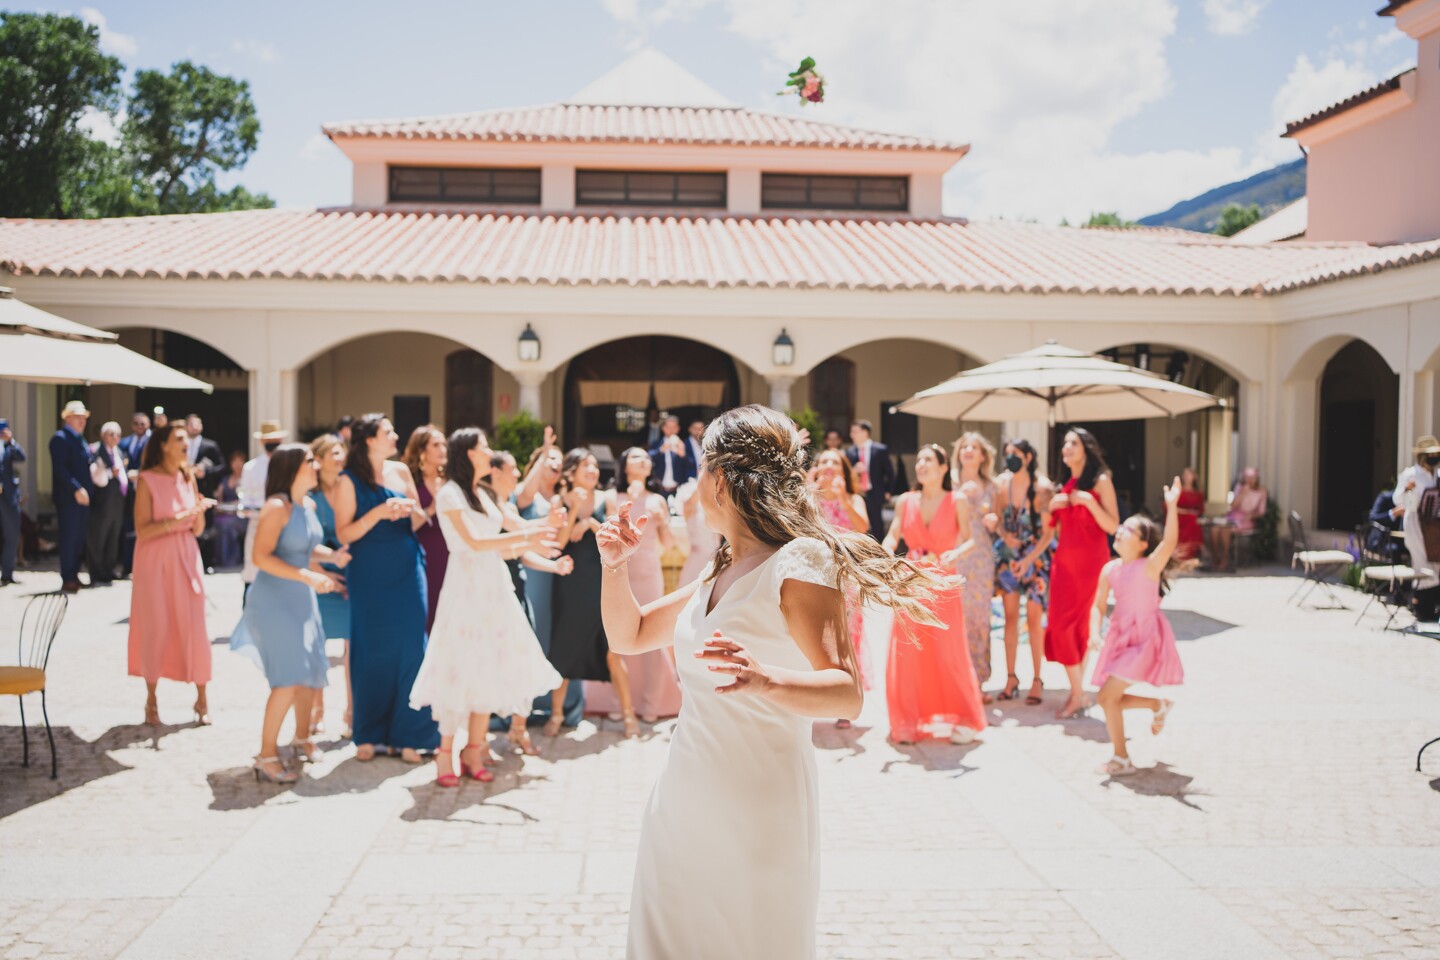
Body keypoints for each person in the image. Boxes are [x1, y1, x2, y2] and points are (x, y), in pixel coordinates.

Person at [596, 404, 942, 959]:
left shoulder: (800, 561)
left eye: (702, 467)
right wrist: (614, 565)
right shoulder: (718, 569)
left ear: (726, 481)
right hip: (683, 799)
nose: (695, 480)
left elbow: (847, 691)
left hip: (757, 806)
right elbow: (630, 634)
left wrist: (765, 679)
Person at [409, 429, 566, 784]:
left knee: (489, 662)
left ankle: (473, 748)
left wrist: (548, 524)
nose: (489, 452)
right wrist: (529, 536)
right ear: (467, 454)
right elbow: (477, 542)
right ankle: (445, 752)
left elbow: (517, 525)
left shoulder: (483, 493)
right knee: (460, 662)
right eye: (483, 448)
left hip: (493, 586)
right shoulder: (449, 494)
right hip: (464, 588)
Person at [229, 444, 349, 784]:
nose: (316, 465)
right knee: (288, 677)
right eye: (310, 461)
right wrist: (306, 575)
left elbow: (305, 548)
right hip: (274, 600)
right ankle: (266, 755)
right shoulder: (275, 507)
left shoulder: (306, 505)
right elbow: (262, 556)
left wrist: (332, 558)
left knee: (311, 669)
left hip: (301, 598)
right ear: (294, 467)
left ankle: (301, 738)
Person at [333, 414, 438, 762]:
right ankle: (369, 733)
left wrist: (413, 509)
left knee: (411, 648)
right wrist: (378, 513)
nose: (395, 435)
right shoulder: (348, 480)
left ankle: (411, 736)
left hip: (408, 567)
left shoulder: (402, 472)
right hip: (369, 571)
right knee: (371, 648)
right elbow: (344, 533)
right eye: (388, 431)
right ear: (369, 440)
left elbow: (420, 518)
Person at [881, 443, 988, 745]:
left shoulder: (958, 500)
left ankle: (965, 717)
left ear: (943, 468)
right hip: (911, 580)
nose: (922, 464)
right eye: (920, 459)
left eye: (929, 459)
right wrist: (886, 550)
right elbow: (893, 534)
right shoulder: (906, 500)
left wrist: (956, 552)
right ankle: (908, 719)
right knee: (908, 653)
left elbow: (969, 539)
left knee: (948, 650)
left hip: (944, 580)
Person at [1091, 477, 1184, 777]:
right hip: (1121, 639)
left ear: (1143, 544)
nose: (1120, 531)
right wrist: (1094, 632)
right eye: (1122, 527)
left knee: (1107, 696)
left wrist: (1172, 507)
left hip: (1146, 640)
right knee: (1108, 698)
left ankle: (1122, 758)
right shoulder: (1110, 569)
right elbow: (1098, 604)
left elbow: (1169, 542)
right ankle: (1157, 706)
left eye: (1129, 529)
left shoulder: (1149, 566)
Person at [128, 422, 215, 725]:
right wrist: (180, 516)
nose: (185, 444)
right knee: (156, 625)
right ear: (163, 445)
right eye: (179, 439)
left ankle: (202, 700)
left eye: (186, 439)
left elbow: (197, 529)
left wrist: (199, 511)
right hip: (154, 559)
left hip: (187, 555)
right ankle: (151, 701)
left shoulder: (186, 476)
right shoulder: (147, 480)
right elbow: (142, 529)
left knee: (195, 624)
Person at [546, 449, 634, 736]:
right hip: (570, 584)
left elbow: (613, 534)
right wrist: (574, 512)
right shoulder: (560, 500)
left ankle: (628, 715)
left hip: (601, 581)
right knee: (564, 649)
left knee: (612, 651)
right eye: (587, 465)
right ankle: (556, 715)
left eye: (596, 466)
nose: (593, 470)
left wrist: (588, 522)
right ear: (573, 471)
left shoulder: (605, 497)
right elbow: (558, 544)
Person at [595, 447, 681, 724]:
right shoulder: (611, 497)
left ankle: (651, 704)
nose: (643, 460)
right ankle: (621, 703)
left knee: (652, 639)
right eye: (635, 457)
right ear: (624, 465)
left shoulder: (657, 499)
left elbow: (668, 545)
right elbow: (607, 532)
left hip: (649, 570)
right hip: (619, 569)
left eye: (646, 457)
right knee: (619, 636)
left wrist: (664, 520)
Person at [1045, 428, 1120, 720]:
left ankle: (1077, 694)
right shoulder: (1067, 484)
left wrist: (1088, 501)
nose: (1067, 447)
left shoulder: (1101, 481)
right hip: (1064, 562)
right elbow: (1054, 528)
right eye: (1064, 443)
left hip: (1091, 563)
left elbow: (1114, 526)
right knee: (1060, 624)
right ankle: (1078, 693)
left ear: (1086, 449)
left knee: (1081, 626)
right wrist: (1053, 505)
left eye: (1073, 443)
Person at [517, 432, 586, 729]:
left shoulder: (561, 498)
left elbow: (560, 541)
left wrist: (571, 514)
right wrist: (545, 449)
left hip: (553, 574)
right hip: (528, 571)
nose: (555, 463)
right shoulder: (526, 494)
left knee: (550, 635)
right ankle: (522, 705)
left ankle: (552, 703)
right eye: (549, 459)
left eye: (559, 459)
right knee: (528, 633)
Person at [992, 439, 1055, 704]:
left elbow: (1049, 531)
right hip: (1009, 557)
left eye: (1015, 454)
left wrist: (1029, 558)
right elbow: (996, 520)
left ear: (1028, 457)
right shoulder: (1001, 485)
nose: (1011, 459)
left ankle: (1037, 679)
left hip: (1036, 557)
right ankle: (1010, 677)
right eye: (1007, 454)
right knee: (1008, 618)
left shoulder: (1042, 487)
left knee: (1033, 616)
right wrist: (1004, 536)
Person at [810, 448, 871, 719]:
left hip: (846, 577)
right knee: (816, 635)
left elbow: (863, 527)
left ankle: (846, 702)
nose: (829, 466)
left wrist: (844, 500)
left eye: (835, 462)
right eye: (824, 461)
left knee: (848, 636)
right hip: (814, 575)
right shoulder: (809, 500)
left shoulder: (855, 499)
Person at [310, 434, 354, 737]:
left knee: (354, 649)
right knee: (317, 648)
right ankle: (317, 710)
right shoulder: (309, 495)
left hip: (352, 576)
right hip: (318, 578)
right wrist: (321, 574)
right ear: (320, 458)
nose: (340, 458)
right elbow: (300, 544)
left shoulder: (350, 488)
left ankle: (352, 712)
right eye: (334, 453)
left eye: (342, 453)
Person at [952, 432, 999, 693]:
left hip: (981, 557)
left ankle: (978, 679)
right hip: (954, 553)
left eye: (974, 447)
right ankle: (957, 679)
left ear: (983, 455)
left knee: (979, 617)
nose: (968, 450)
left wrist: (994, 521)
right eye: (964, 447)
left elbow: (1000, 523)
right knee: (956, 616)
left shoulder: (993, 487)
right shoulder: (948, 482)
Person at [403, 424, 449, 632]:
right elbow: (407, 525)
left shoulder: (451, 481)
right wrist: (431, 509)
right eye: (436, 444)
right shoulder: (409, 481)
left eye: (444, 444)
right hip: (422, 556)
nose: (443, 449)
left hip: (450, 554)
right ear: (422, 451)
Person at [241, 421, 289, 600]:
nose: (273, 443)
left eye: (275, 440)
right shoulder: (251, 467)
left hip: (285, 524)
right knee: (254, 569)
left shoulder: (289, 465)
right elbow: (245, 495)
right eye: (269, 440)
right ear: (261, 442)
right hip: (258, 522)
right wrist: (248, 508)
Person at [49, 400, 94, 592]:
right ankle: (67, 577)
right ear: (67, 418)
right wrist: (76, 488)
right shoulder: (60, 438)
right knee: (69, 537)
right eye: (78, 417)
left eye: (83, 417)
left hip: (82, 496)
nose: (82, 420)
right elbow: (60, 469)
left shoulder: (80, 439)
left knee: (78, 538)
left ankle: (74, 573)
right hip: (69, 497)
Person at [1397, 436, 1440, 621]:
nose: (1435, 457)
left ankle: (1432, 605)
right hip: (1416, 523)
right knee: (1422, 564)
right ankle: (1422, 606)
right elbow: (1398, 500)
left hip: (1433, 525)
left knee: (1436, 564)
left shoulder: (1437, 474)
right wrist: (1408, 490)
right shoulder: (1411, 474)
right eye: (1431, 454)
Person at [86, 420, 128, 584]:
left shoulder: (120, 451)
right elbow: (93, 473)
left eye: (118, 435)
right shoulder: (95, 450)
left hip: (118, 501)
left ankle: (109, 569)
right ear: (103, 435)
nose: (115, 438)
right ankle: (96, 572)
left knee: (113, 537)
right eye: (112, 434)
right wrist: (111, 473)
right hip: (101, 500)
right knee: (98, 537)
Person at [1206, 467, 1267, 572]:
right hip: (1233, 516)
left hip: (1246, 520)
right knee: (1214, 529)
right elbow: (1233, 506)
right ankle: (1215, 558)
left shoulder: (1262, 492)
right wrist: (1242, 494)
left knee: (1226, 529)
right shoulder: (1240, 487)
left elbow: (1261, 512)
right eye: (1247, 478)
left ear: (1256, 479)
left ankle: (1225, 559)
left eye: (1252, 478)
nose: (1249, 481)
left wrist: (1251, 516)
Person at [847, 419, 894, 541]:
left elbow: (889, 472)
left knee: (877, 523)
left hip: (875, 491)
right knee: (859, 524)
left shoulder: (880, 449)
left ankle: (879, 551)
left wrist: (888, 491)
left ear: (865, 432)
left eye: (855, 432)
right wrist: (854, 471)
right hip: (857, 493)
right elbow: (846, 473)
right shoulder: (850, 451)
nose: (852, 435)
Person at [212, 451, 248, 568]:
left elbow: (247, 499)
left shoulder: (247, 478)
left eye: (240, 461)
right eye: (234, 461)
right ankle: (220, 558)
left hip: (241, 514)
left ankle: (231, 559)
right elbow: (219, 496)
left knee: (227, 524)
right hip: (225, 512)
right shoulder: (226, 479)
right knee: (218, 521)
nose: (237, 464)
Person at [0, 418, 24, 585]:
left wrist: (11, 441)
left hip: (8, 496)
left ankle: (7, 573)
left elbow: (22, 457)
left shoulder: (9, 446)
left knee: (12, 533)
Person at [648, 415, 693, 496]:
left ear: (678, 428)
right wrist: (660, 450)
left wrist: (683, 454)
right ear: (663, 428)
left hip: (678, 490)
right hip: (659, 489)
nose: (671, 430)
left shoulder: (683, 444)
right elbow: (649, 458)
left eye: (674, 427)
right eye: (668, 427)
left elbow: (691, 465)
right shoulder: (657, 444)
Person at [184, 414, 223, 499]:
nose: (195, 426)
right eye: (191, 424)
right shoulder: (181, 445)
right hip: (184, 488)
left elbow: (221, 467)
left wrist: (205, 472)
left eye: (197, 423)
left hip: (204, 490)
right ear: (186, 426)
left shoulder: (210, 446)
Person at [1175, 467, 1205, 561]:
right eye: (1185, 475)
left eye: (1189, 474)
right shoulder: (1178, 490)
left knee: (1193, 521)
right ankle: (1200, 548)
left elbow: (1201, 509)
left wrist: (1193, 514)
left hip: (1193, 519)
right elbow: (1171, 507)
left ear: (1194, 477)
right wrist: (1187, 512)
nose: (1187, 477)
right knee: (1192, 520)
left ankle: (1191, 552)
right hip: (1179, 518)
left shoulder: (1198, 493)